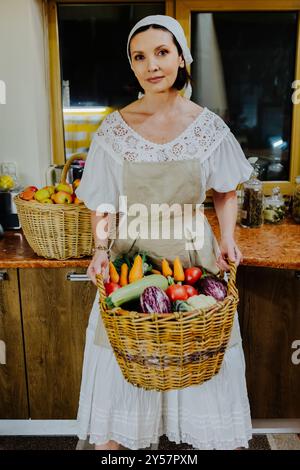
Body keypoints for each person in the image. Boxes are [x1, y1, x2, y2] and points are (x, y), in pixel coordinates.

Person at [75, 14, 253, 450]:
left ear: (180, 58)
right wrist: (101, 248)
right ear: (132, 66)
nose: (151, 65)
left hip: (192, 254)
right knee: (128, 358)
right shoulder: (114, 130)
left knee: (196, 350)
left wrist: (228, 239)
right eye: (140, 57)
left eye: (161, 52)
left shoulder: (207, 126)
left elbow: (225, 191)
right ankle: (119, 445)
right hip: (131, 258)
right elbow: (103, 204)